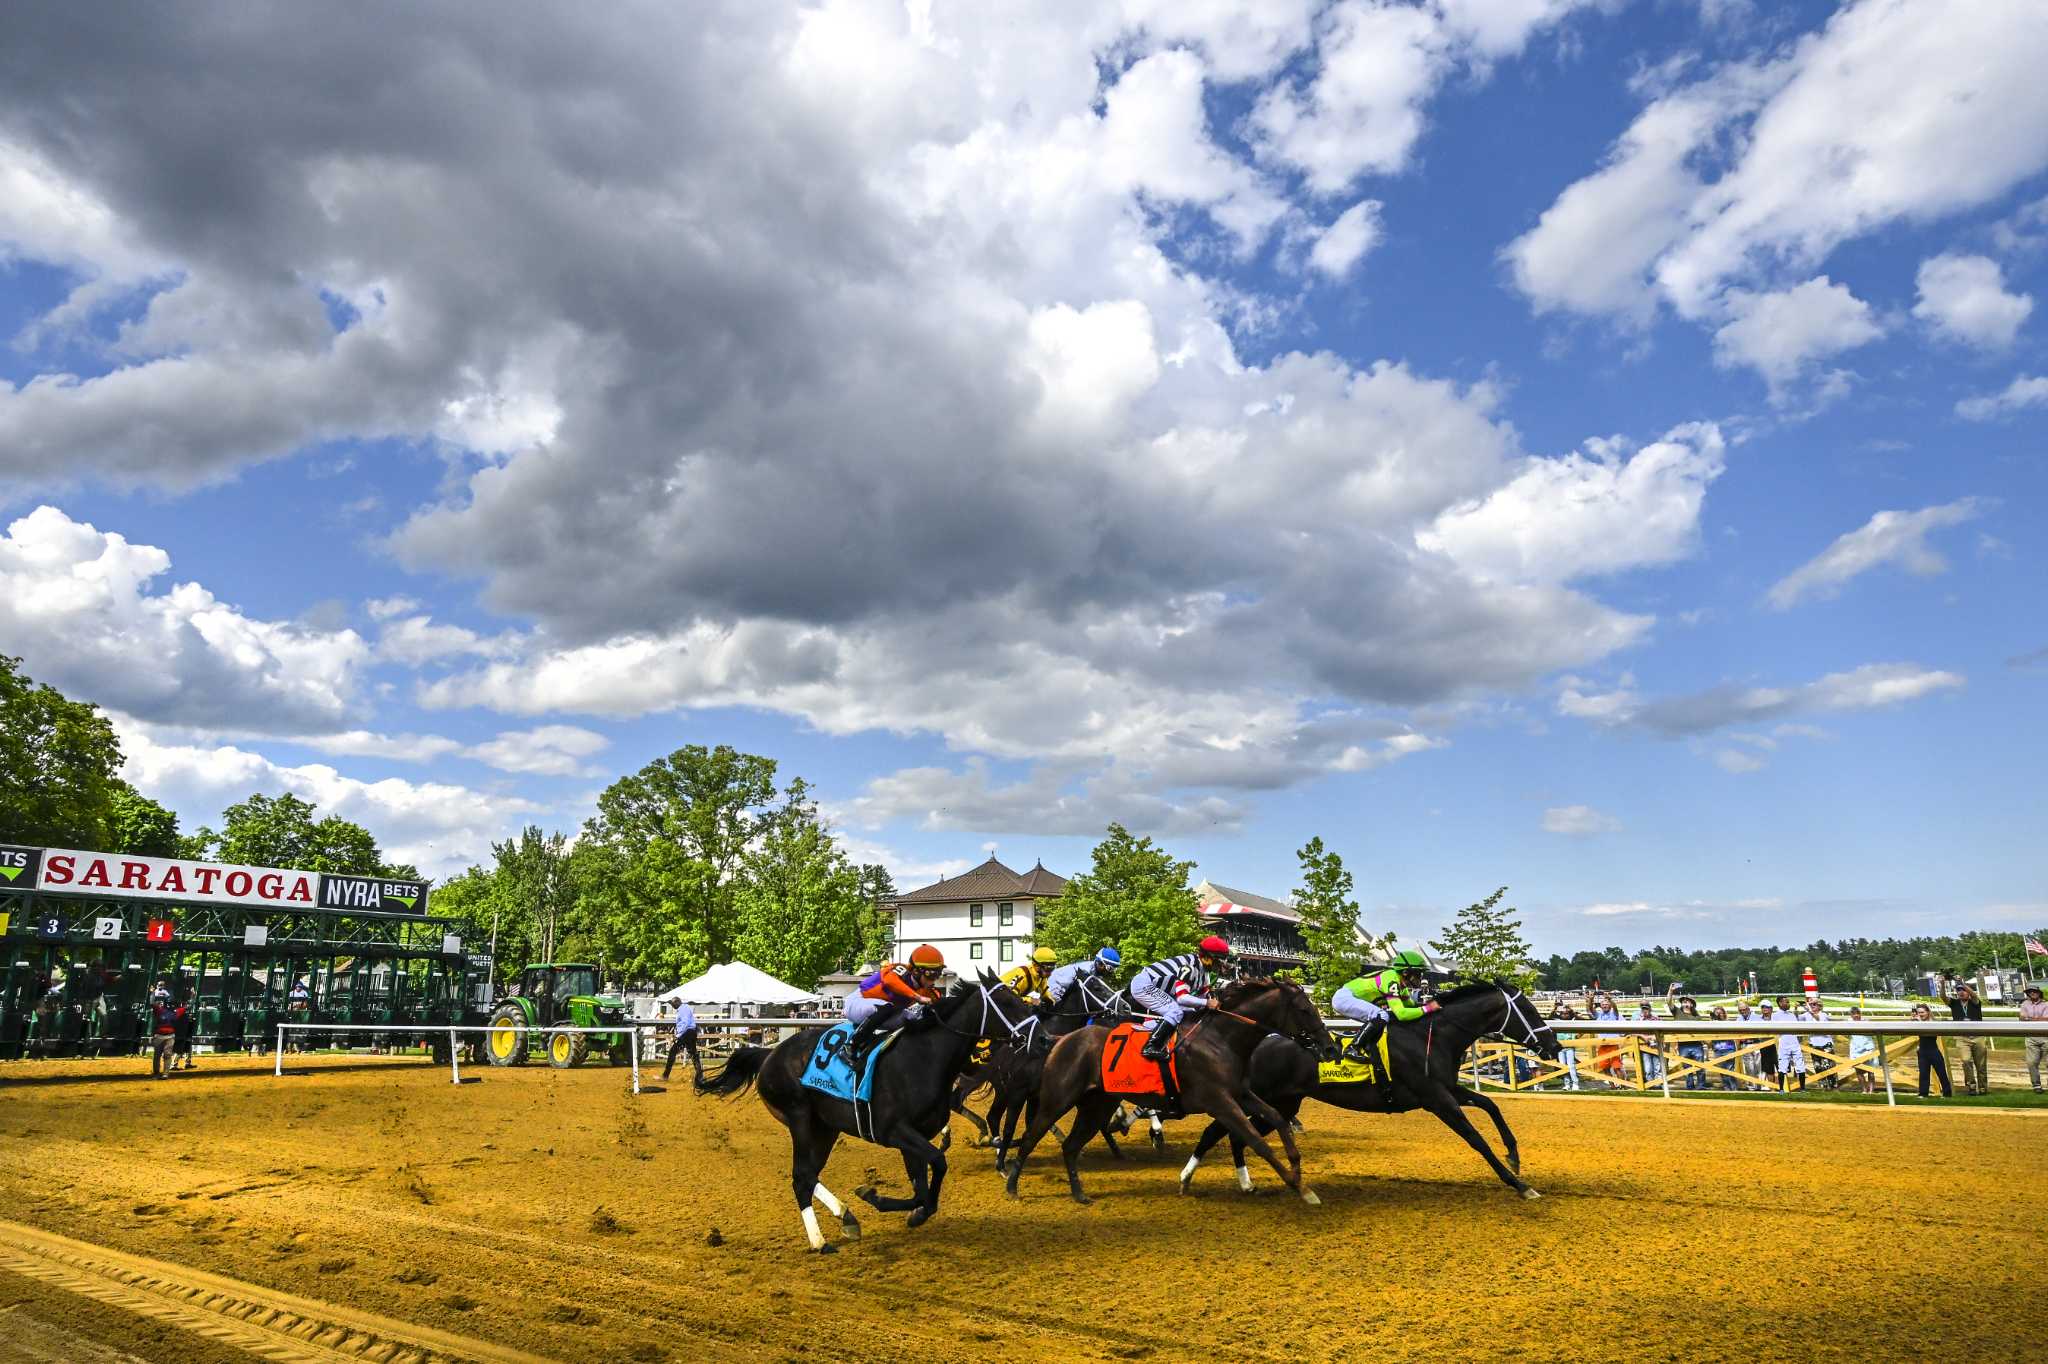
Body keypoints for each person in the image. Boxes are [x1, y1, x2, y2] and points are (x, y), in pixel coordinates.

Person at [1330, 949, 1437, 1096]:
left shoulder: (1401, 985)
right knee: (1382, 1015)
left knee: (1384, 1017)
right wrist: (1429, 1008)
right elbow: (1403, 1014)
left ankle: (1370, 1051)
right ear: (1406, 972)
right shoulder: (1391, 979)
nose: (1420, 977)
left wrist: (1430, 1004)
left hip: (1349, 997)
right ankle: (1353, 1047)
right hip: (1344, 998)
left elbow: (1411, 1006)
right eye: (1418, 973)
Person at [843, 945, 946, 1068]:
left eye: (938, 974)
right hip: (857, 1002)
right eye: (932, 974)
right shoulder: (900, 970)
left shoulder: (927, 990)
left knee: (915, 1019)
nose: (934, 980)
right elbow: (890, 981)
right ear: (916, 971)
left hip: (884, 1013)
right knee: (887, 1007)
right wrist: (917, 997)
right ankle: (851, 1046)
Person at [1133, 936, 1232, 1060]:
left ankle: (1156, 1032)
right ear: (1207, 957)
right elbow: (1182, 998)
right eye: (1219, 961)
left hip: (1162, 990)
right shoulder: (1189, 967)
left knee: (1189, 1012)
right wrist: (1207, 1002)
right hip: (1144, 985)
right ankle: (1151, 1047)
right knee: (1175, 1011)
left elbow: (1202, 999)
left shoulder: (1204, 973)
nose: (1221, 965)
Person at [1042, 946, 1121, 1010]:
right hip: (1052, 986)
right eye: (1110, 968)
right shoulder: (1081, 972)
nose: (1111, 972)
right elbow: (1055, 990)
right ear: (1100, 963)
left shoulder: (1095, 973)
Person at [1947, 982, 1989, 1096]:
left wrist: (1962, 983)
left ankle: (1983, 1087)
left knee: (1981, 1064)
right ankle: (1971, 1085)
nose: (1961, 992)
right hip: (1962, 1037)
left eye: (1963, 990)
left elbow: (1974, 996)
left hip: (1978, 1036)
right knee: (1966, 1061)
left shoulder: (1974, 1002)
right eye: (1959, 990)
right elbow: (1942, 997)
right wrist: (1941, 984)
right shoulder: (1954, 1003)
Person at [1913, 1003, 1952, 1098]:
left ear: (1928, 1012)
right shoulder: (1917, 1022)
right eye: (1918, 1013)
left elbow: (1931, 1034)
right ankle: (1923, 1093)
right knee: (1923, 1073)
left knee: (1941, 1072)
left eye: (1922, 1012)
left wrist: (1920, 1022)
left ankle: (1947, 1093)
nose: (1920, 1014)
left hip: (1933, 1050)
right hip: (1922, 1051)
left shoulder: (1933, 1022)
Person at [662, 999, 702, 1082]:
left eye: (673, 1004)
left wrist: (678, 1035)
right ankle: (700, 1075)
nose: (672, 1006)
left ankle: (665, 1075)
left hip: (686, 1032)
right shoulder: (684, 1008)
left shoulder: (683, 1009)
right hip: (689, 1032)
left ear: (677, 1002)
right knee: (693, 1053)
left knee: (673, 1051)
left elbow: (685, 1023)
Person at [1773, 996, 1807, 1091]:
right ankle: (1781, 1089)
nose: (1788, 1004)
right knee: (1782, 1066)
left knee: (1800, 1065)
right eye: (1786, 1002)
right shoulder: (1775, 1015)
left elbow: (1797, 1026)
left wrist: (1796, 1009)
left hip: (1794, 1042)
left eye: (1788, 1002)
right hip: (1783, 1043)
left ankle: (1803, 1088)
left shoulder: (1791, 1014)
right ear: (1780, 1003)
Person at [2019, 984, 2048, 1094]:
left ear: (2039, 993)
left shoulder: (2046, 1004)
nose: (2032, 993)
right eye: (2030, 991)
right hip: (2031, 1037)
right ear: (2028, 993)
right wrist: (2037, 1019)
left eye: (2034, 991)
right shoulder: (2025, 1004)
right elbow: (2021, 1018)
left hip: (2046, 1037)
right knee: (2031, 1063)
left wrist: (2029, 1019)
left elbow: (2046, 1020)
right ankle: (2036, 1085)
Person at [1803, 999, 1835, 1090]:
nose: (1812, 1006)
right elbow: (1797, 1018)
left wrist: (1809, 1010)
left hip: (1825, 1044)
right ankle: (1822, 1085)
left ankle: (1832, 1085)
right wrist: (1797, 1008)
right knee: (1818, 1066)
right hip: (1814, 1044)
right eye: (1810, 1004)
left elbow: (1818, 1019)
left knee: (1828, 1066)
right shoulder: (1806, 1014)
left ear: (1820, 1006)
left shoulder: (1823, 1014)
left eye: (1814, 1004)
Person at [148, 988, 179, 1079]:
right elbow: (152, 1003)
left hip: (170, 1036)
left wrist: (193, 996)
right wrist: (152, 993)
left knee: (167, 1055)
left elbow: (186, 1007)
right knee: (157, 1055)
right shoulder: (159, 1010)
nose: (171, 1004)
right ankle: (156, 1073)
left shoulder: (175, 1012)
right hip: (159, 1036)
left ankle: (165, 1073)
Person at [1550, 1003, 1581, 1091]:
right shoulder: (1557, 1021)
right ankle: (1567, 1084)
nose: (1565, 1015)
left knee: (1571, 1065)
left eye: (1566, 1013)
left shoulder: (1573, 1021)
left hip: (1570, 1047)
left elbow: (1582, 1020)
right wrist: (1554, 1009)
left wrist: (1571, 1010)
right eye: (1563, 1013)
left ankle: (1575, 1083)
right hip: (1560, 1048)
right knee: (1563, 1066)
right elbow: (1549, 1018)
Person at [1846, 1007, 1877, 1094]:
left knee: (1871, 1071)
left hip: (1868, 1048)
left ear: (1860, 1014)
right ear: (1851, 1015)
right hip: (1856, 1050)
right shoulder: (1848, 1022)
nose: (1856, 1015)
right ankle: (1864, 1090)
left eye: (1857, 1013)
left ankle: (1871, 1091)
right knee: (1858, 1071)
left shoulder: (1866, 1022)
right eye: (1854, 1014)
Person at [1708, 1007, 1739, 1090]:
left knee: (1729, 1070)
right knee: (1722, 1070)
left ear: (1724, 1014)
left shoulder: (1728, 1023)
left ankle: (1734, 1087)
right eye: (1716, 1013)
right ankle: (1727, 1087)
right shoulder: (1712, 1024)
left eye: (1720, 1013)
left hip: (1729, 1049)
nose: (1718, 1014)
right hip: (1718, 1050)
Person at [1755, 1001, 1780, 1086]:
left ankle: (1782, 1086)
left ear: (1771, 1009)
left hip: (1777, 1046)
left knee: (1780, 1066)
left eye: (1767, 1007)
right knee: (1768, 1068)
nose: (1765, 1009)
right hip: (1764, 1046)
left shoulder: (1777, 1018)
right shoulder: (1757, 1019)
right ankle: (1772, 1087)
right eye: (1763, 1007)